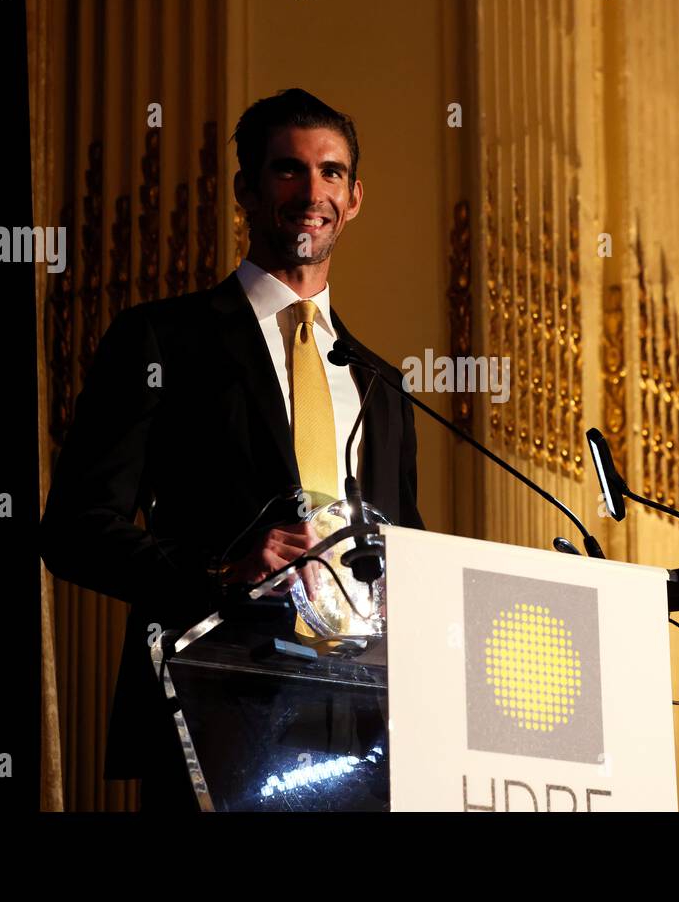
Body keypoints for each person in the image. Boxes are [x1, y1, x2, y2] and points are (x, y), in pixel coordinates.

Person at [40, 88, 424, 810]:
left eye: (332, 172)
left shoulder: (381, 381)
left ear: (356, 196)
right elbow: (74, 530)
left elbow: (408, 544)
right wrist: (221, 571)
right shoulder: (163, 339)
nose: (313, 192)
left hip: (367, 726)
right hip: (219, 711)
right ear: (247, 189)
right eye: (289, 170)